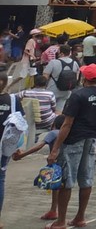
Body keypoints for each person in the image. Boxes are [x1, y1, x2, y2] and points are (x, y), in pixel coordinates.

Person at [47, 63, 96, 229]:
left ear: (84, 78)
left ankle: (61, 221)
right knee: (86, 179)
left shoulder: (77, 95)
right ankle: (80, 217)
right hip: (91, 139)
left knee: (66, 181)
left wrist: (55, 148)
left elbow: (67, 123)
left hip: (73, 140)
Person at [12, 114, 65, 222]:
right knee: (60, 187)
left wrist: (22, 154)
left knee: (55, 186)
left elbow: (39, 146)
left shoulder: (53, 133)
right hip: (68, 162)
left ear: (53, 125)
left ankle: (55, 212)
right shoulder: (68, 133)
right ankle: (54, 210)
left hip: (56, 163)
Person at [0, 68, 27, 227]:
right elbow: (20, 124)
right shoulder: (13, 100)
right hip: (5, 145)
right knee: (0, 179)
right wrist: (18, 146)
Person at [44, 44, 80, 111]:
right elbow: (76, 78)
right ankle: (57, 120)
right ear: (70, 53)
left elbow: (45, 77)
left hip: (53, 89)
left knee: (49, 110)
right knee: (59, 110)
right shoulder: (74, 63)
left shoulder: (53, 62)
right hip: (67, 91)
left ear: (61, 53)